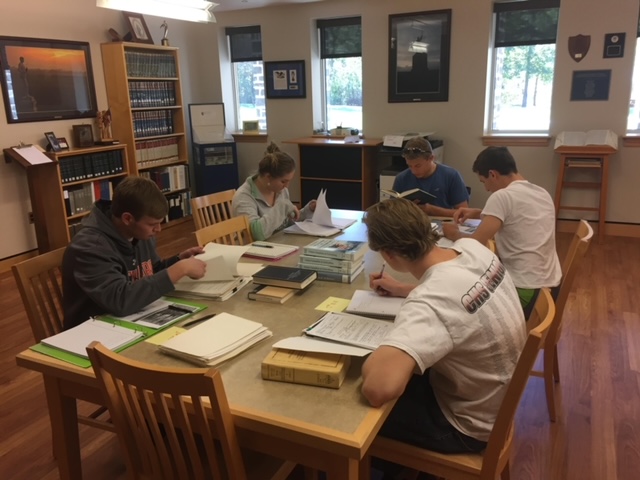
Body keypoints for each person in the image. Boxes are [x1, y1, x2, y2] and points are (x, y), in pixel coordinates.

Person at [361, 198, 526, 474]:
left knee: (355, 413)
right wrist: (404, 288)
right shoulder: (473, 249)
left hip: (465, 426)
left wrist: (369, 361)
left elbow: (379, 389)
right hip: (493, 402)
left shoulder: (429, 302)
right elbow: (458, 303)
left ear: (388, 255)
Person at [62, 176, 206, 330]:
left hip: (128, 321)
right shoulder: (90, 246)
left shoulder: (139, 233)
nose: (158, 230)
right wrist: (180, 269)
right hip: (93, 331)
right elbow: (120, 300)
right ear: (127, 218)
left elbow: (151, 271)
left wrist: (177, 260)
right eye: (153, 224)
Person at [442, 146, 562, 318]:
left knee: (462, 304)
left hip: (525, 291)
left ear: (493, 174)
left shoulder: (501, 197)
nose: (486, 189)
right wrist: (478, 212)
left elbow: (474, 244)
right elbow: (517, 215)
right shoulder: (541, 192)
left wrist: (452, 233)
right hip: (551, 286)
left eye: (484, 182)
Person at [232, 142, 316, 240]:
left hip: (278, 245)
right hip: (253, 250)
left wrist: (307, 210)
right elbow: (256, 235)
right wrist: (283, 207)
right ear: (268, 177)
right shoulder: (244, 197)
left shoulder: (280, 190)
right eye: (283, 181)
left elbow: (286, 222)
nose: (286, 186)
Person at [391, 137, 469, 217]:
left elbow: (464, 213)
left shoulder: (451, 175)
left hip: (443, 224)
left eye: (418, 166)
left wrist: (432, 210)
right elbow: (392, 212)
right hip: (411, 224)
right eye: (410, 166)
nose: (413, 171)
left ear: (431, 158)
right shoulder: (401, 178)